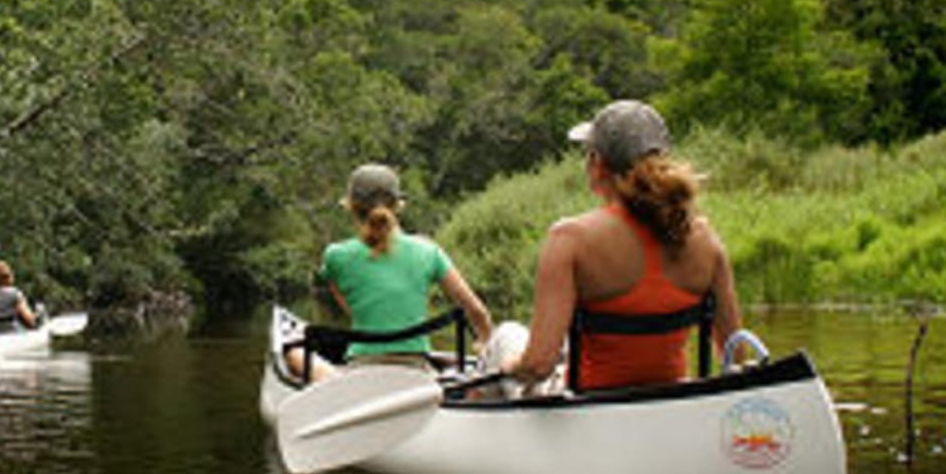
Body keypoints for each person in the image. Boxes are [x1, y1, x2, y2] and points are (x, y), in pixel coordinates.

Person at [501, 100, 740, 391]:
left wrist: (510, 365)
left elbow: (538, 365)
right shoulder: (706, 239)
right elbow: (735, 357)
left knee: (506, 336)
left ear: (597, 164)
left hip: (591, 406)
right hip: (672, 399)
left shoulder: (569, 239)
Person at [309, 163, 493, 379]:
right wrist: (484, 342)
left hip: (360, 370)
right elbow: (476, 311)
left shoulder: (335, 256)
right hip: (416, 370)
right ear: (397, 206)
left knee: (295, 354)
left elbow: (354, 310)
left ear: (351, 205)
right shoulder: (428, 251)